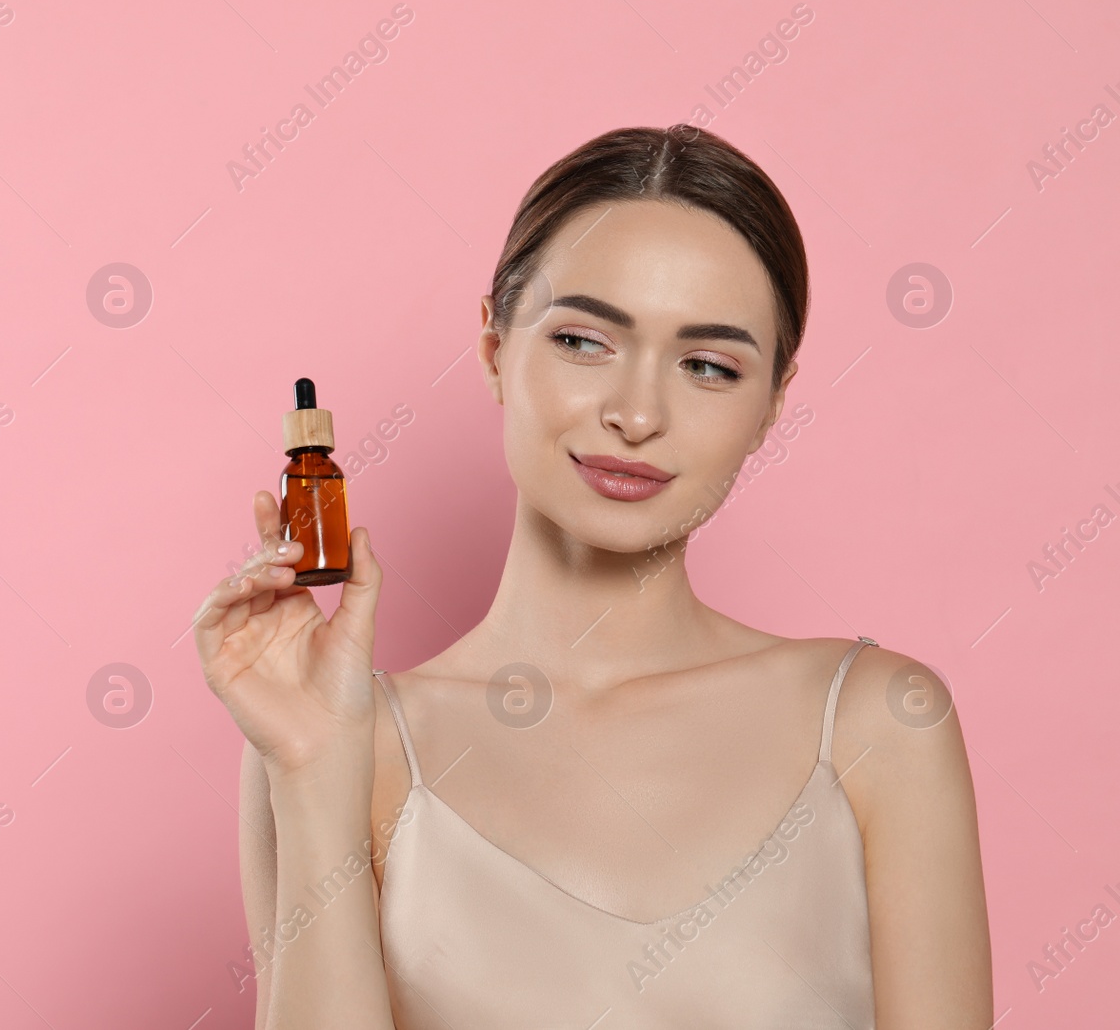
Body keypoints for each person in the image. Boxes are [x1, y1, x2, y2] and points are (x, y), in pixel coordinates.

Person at [194, 124, 991, 1028]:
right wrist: (309, 766)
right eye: (583, 341)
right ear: (495, 348)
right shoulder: (339, 744)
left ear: (773, 401)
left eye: (707, 365)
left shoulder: (879, 723)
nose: (638, 413)